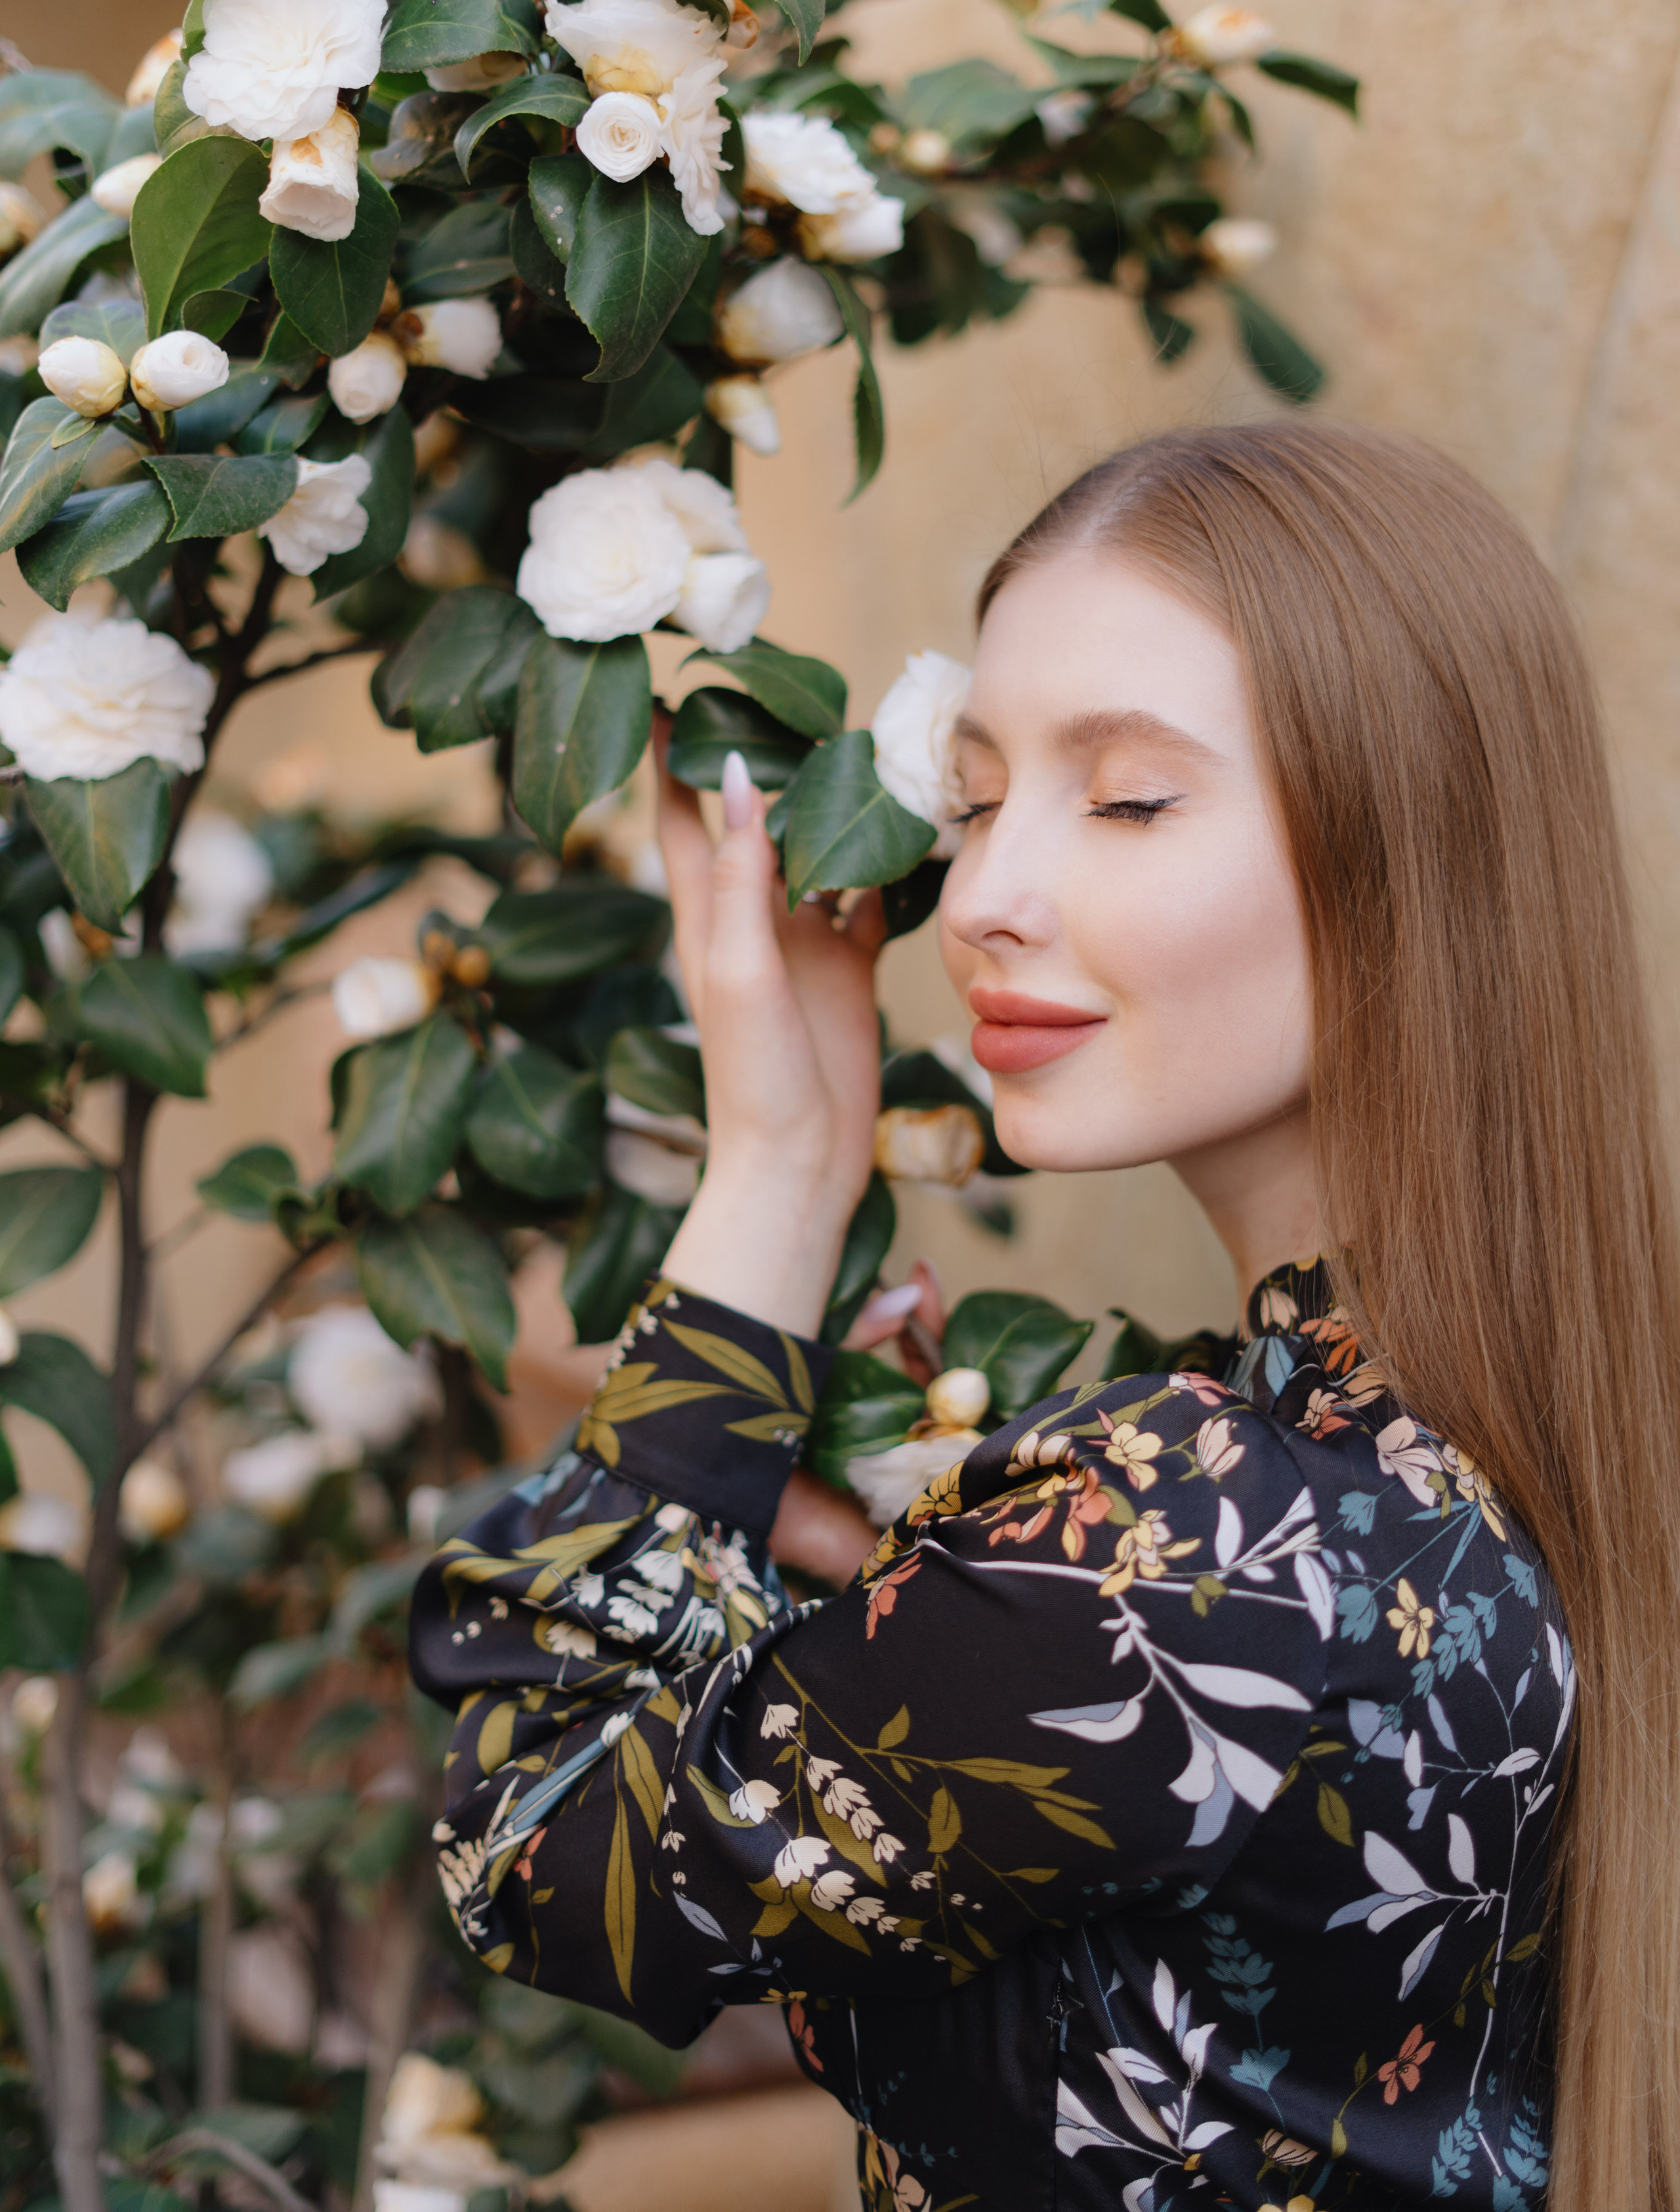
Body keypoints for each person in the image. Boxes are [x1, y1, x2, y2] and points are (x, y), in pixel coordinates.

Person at [410, 423, 1680, 2212]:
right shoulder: (1522, 1446)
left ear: (1409, 854)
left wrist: (777, 1167)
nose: (988, 901)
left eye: (1132, 798)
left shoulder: (1181, 1535)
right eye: (982, 795)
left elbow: (531, 1841)